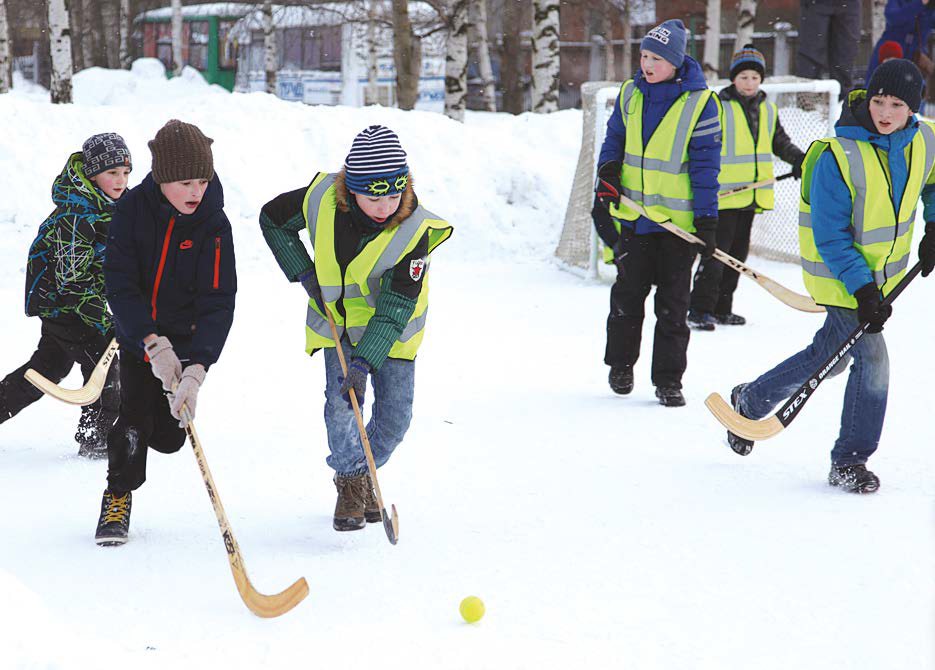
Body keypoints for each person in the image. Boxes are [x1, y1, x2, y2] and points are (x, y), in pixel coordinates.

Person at [724, 59, 935, 493]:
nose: (886, 111)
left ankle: (750, 399)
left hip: (882, 279)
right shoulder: (837, 155)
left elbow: (932, 183)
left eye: (897, 104)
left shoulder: (924, 139)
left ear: (913, 108)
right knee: (873, 363)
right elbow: (831, 236)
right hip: (842, 278)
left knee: (832, 357)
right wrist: (861, 289)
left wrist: (933, 227)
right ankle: (850, 460)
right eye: (879, 100)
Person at [259, 125, 452, 532]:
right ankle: (349, 484)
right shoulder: (321, 200)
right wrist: (302, 270)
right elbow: (272, 220)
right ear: (353, 189)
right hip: (338, 328)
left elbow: (397, 305)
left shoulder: (415, 231)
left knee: (396, 419)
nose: (385, 207)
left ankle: (361, 473)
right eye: (374, 197)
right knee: (341, 405)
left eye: (394, 195)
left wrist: (365, 363)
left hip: (393, 335)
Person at [95, 120, 237, 545]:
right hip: (143, 339)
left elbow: (219, 299)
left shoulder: (213, 224)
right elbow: (120, 283)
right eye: (185, 182)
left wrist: (196, 369)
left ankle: (168, 409)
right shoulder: (132, 212)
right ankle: (117, 494)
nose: (195, 191)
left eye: (202, 181)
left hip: (189, 342)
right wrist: (152, 344)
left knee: (173, 438)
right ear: (161, 179)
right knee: (134, 417)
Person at [591, 19, 721, 407]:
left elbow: (705, 167)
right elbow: (615, 137)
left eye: (656, 58)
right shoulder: (631, 93)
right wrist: (608, 169)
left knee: (674, 306)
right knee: (627, 298)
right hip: (635, 220)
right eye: (644, 55)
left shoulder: (701, 103)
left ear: (676, 62)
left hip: (677, 228)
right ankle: (620, 365)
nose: (647, 64)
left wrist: (708, 220)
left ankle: (668, 380)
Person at [0, 133, 130, 457]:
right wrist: (108, 321)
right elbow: (72, 283)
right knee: (104, 370)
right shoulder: (77, 216)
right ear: (92, 174)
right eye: (112, 172)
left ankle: (94, 435)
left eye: (126, 172)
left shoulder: (108, 207)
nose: (121, 179)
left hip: (78, 307)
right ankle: (96, 439)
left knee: (46, 369)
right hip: (65, 308)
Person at [687, 45, 806, 330]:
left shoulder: (767, 109)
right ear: (733, 78)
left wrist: (800, 159)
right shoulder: (717, 105)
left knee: (737, 256)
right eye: (743, 77)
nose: (749, 83)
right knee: (716, 254)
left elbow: (780, 143)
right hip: (724, 196)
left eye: (754, 77)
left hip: (751, 196)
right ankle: (699, 309)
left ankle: (722, 308)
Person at [797, 0, 861, 100]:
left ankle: (843, 104)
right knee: (811, 56)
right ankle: (806, 104)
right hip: (815, 4)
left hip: (849, 4)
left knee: (846, 56)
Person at [865, 0, 935, 85]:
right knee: (879, 87)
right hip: (891, 52)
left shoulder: (930, 7)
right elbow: (893, 18)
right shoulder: (898, 2)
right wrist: (920, 3)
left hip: (914, 57)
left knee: (912, 91)